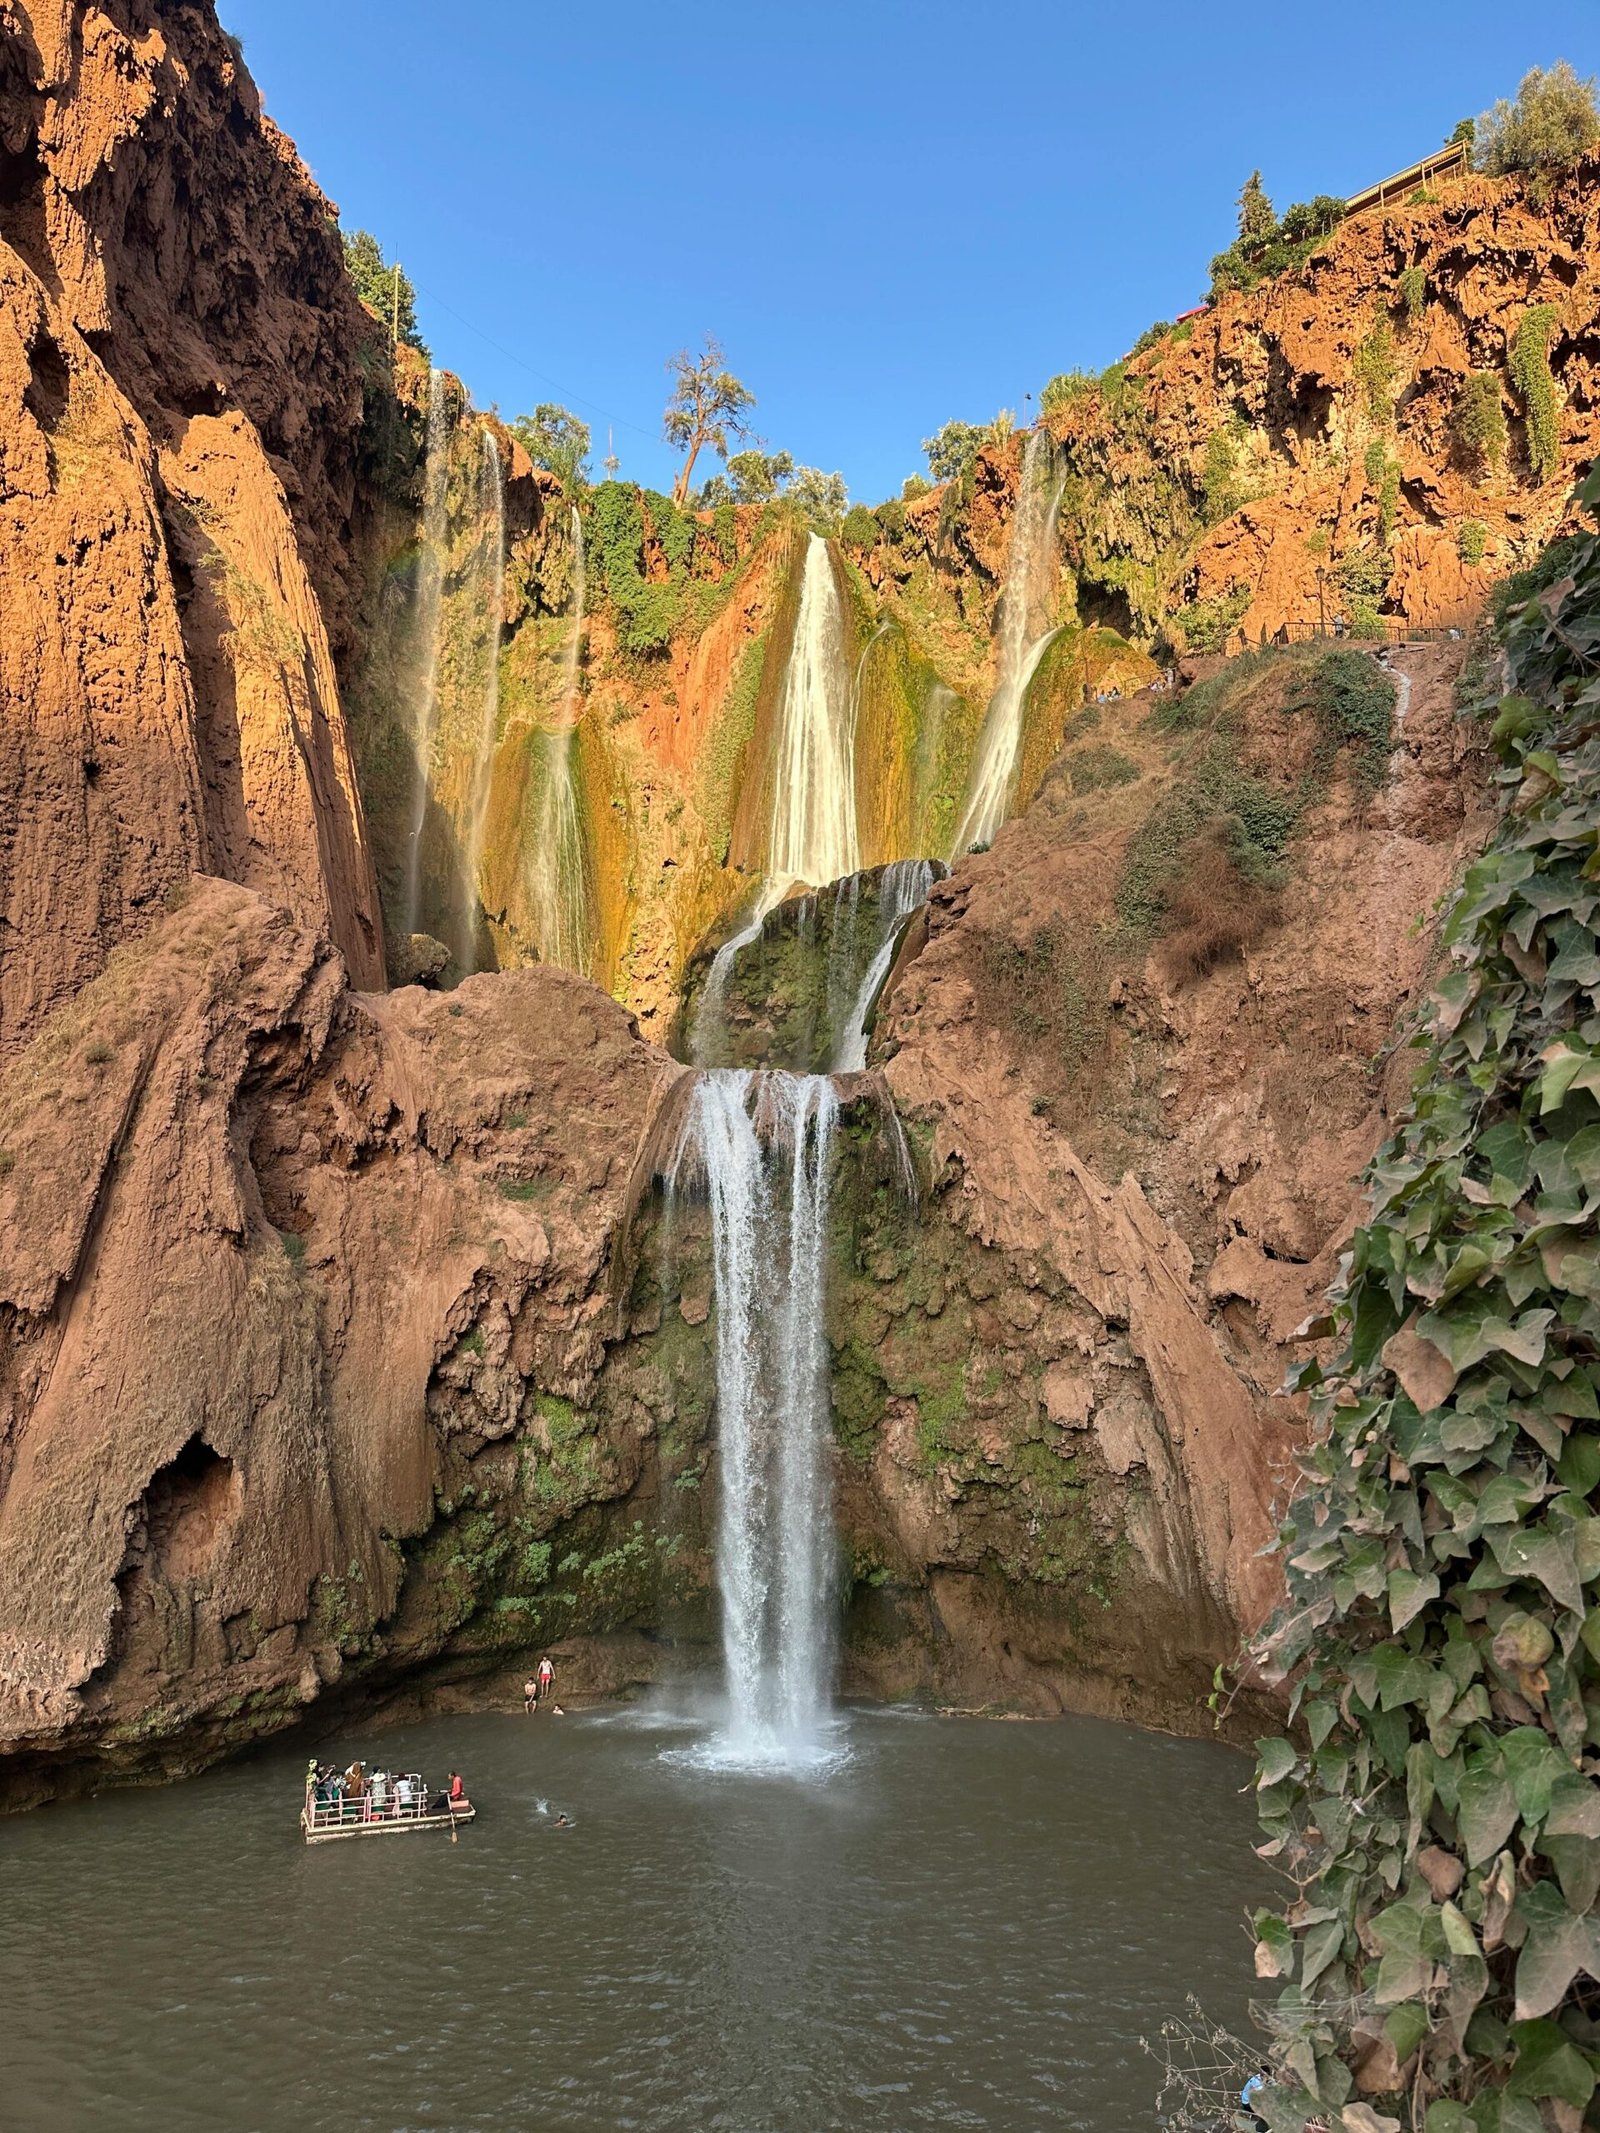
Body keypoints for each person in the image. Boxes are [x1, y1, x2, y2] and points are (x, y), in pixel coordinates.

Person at [1241, 2066, 1270, 2130]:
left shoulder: (1259, 2076)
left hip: (1251, 2098)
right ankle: (1261, 2128)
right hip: (1247, 2103)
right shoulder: (1257, 2082)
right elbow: (1263, 2094)